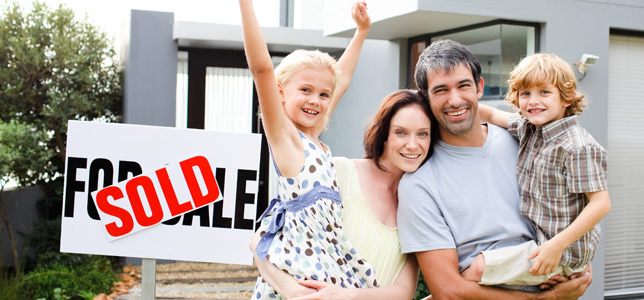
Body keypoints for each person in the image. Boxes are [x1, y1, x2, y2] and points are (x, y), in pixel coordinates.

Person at [397, 39, 593, 299]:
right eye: (441, 90)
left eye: (463, 85)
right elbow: (447, 291)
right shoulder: (419, 184)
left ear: (479, 87)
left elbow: (577, 204)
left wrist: (575, 263)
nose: (455, 100)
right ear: (425, 97)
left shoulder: (523, 141)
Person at [239, 1, 377, 299]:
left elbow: (343, 80)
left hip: (328, 265)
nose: (315, 100)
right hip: (298, 272)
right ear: (280, 92)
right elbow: (262, 69)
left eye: (323, 94)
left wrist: (361, 32)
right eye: (305, 90)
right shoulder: (285, 138)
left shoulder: (315, 139)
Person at [251, 90, 435, 300]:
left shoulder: (419, 203)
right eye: (401, 132)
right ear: (384, 134)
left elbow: (403, 291)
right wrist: (292, 290)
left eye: (423, 134)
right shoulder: (338, 172)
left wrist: (346, 296)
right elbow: (261, 241)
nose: (412, 144)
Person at [466, 53, 611, 286]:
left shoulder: (577, 146)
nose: (533, 101)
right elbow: (491, 115)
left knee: (477, 270)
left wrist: (555, 247)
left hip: (560, 252)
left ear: (566, 98)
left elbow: (601, 204)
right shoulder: (529, 128)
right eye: (526, 93)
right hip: (537, 240)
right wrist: (454, 104)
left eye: (544, 92)